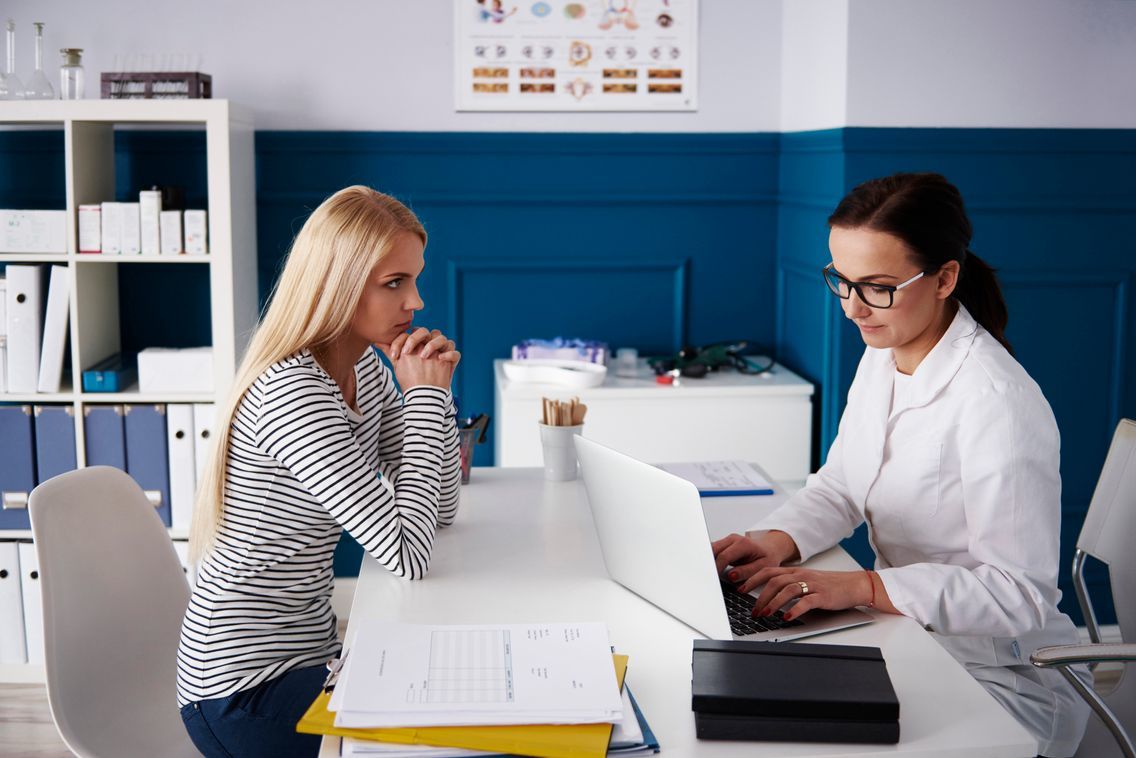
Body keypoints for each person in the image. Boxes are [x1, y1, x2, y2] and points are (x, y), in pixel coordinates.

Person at [712, 173, 1090, 757]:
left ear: (944, 279)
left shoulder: (997, 403)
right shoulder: (885, 350)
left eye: (879, 286)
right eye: (841, 280)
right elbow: (842, 483)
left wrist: (859, 585)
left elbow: (1019, 594)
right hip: (910, 636)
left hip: (1003, 675)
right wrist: (776, 540)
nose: (854, 307)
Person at [176, 186, 462, 757]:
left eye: (414, 279)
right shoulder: (293, 392)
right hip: (243, 690)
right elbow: (408, 553)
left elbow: (442, 509)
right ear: (338, 283)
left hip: (311, 653)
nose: (417, 303)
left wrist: (435, 395)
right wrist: (425, 401)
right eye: (394, 283)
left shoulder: (365, 371)